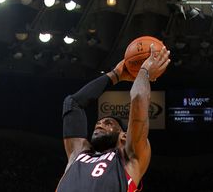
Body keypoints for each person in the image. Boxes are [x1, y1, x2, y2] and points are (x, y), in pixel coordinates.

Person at [57, 44, 170, 192]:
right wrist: (115, 75)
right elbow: (72, 103)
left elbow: (138, 97)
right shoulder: (78, 153)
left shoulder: (130, 158)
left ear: (124, 136)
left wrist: (144, 71)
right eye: (98, 122)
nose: (99, 124)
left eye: (108, 123)